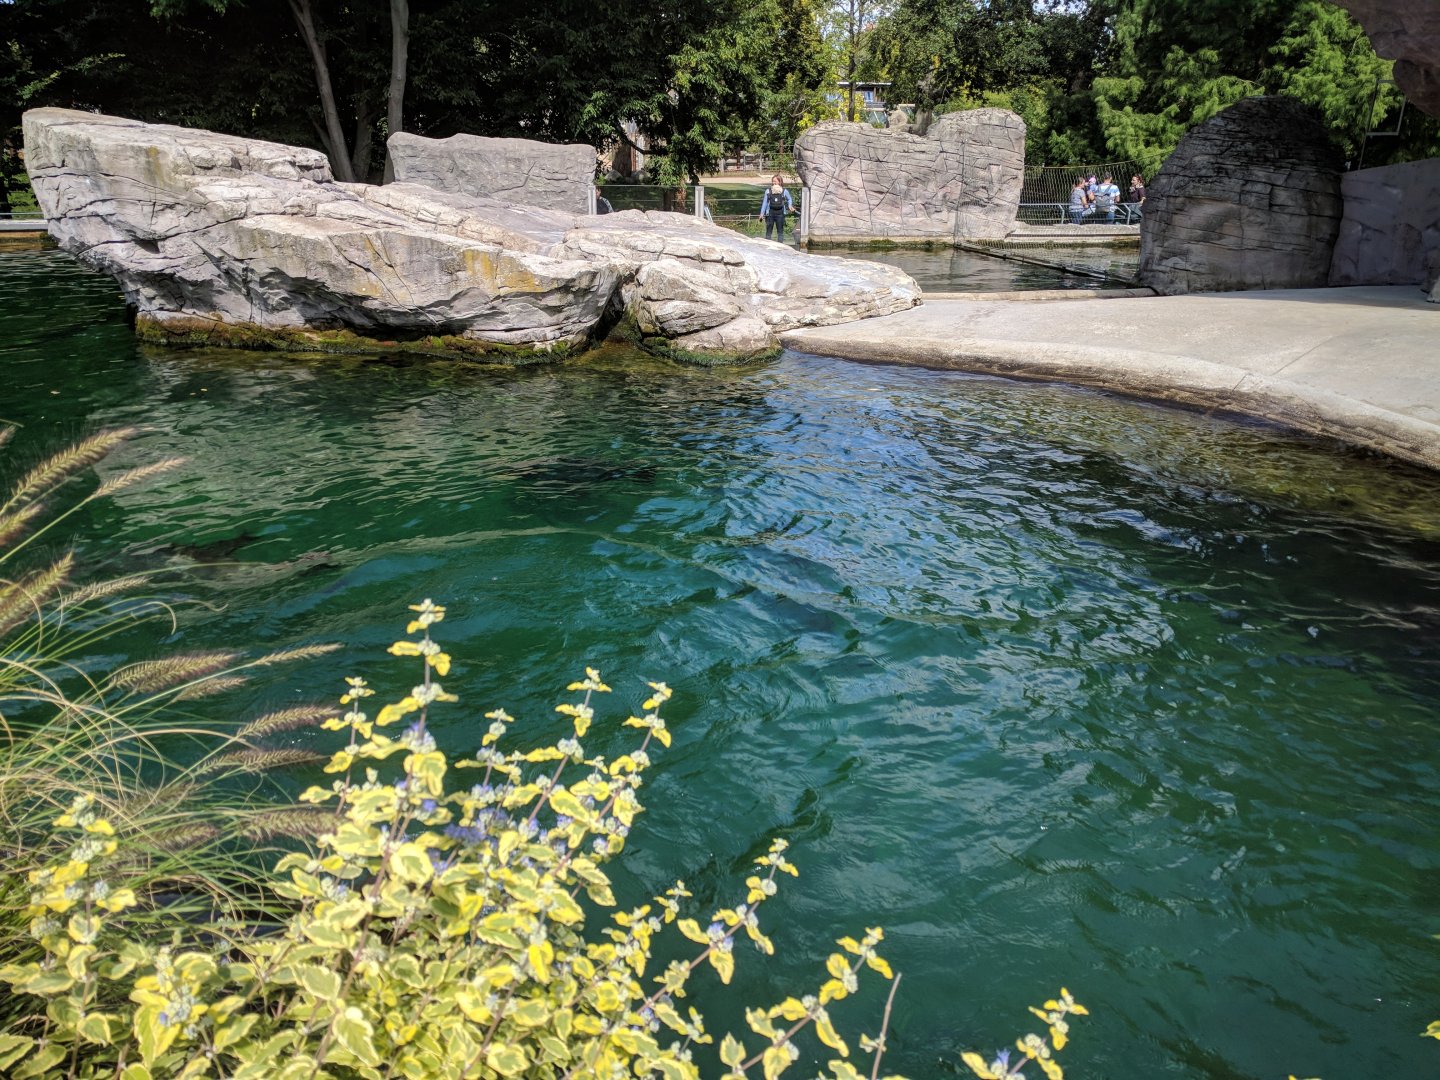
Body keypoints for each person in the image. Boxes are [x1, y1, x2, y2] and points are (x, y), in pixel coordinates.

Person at [759, 174, 794, 242]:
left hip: (780, 214)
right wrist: (762, 213)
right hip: (770, 213)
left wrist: (790, 205)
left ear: (780, 182)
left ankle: (780, 245)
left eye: (775, 181)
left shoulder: (784, 191)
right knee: (768, 232)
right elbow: (765, 203)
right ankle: (767, 244)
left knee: (780, 232)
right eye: (773, 181)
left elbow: (789, 199)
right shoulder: (768, 191)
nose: (773, 183)